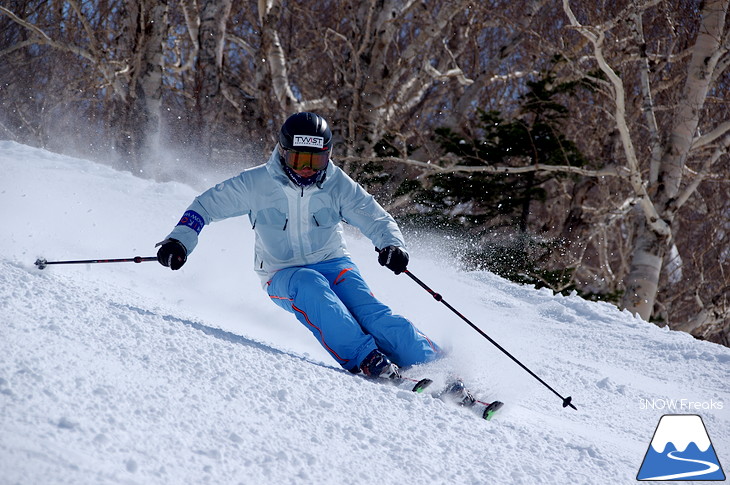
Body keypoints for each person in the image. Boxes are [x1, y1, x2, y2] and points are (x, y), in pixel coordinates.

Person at [157, 112, 442, 380]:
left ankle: (433, 363)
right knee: (310, 286)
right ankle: (365, 357)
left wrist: (391, 245)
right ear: (283, 153)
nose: (306, 170)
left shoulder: (337, 184)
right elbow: (204, 207)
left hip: (333, 263)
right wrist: (179, 241)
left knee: (372, 314)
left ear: (327, 156)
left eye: (315, 162)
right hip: (281, 272)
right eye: (298, 160)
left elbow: (375, 218)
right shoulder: (255, 183)